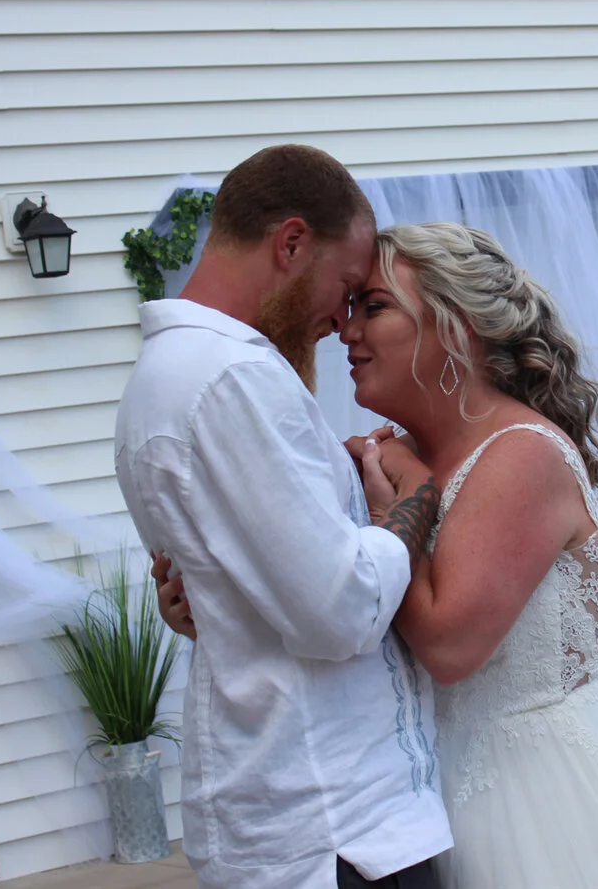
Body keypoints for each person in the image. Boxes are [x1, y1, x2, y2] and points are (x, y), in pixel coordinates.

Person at [339, 222, 598, 889]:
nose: (346, 330)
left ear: (455, 327)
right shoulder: (392, 461)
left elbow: (449, 647)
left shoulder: (520, 456)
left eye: (374, 306)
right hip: (431, 790)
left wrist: (399, 512)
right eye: (350, 307)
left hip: (545, 799)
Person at [115, 145, 452, 889]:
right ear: (292, 243)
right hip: (336, 826)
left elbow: (246, 575)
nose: (342, 318)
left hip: (294, 807)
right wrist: (412, 506)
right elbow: (339, 610)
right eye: (347, 287)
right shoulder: (233, 378)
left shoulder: (164, 379)